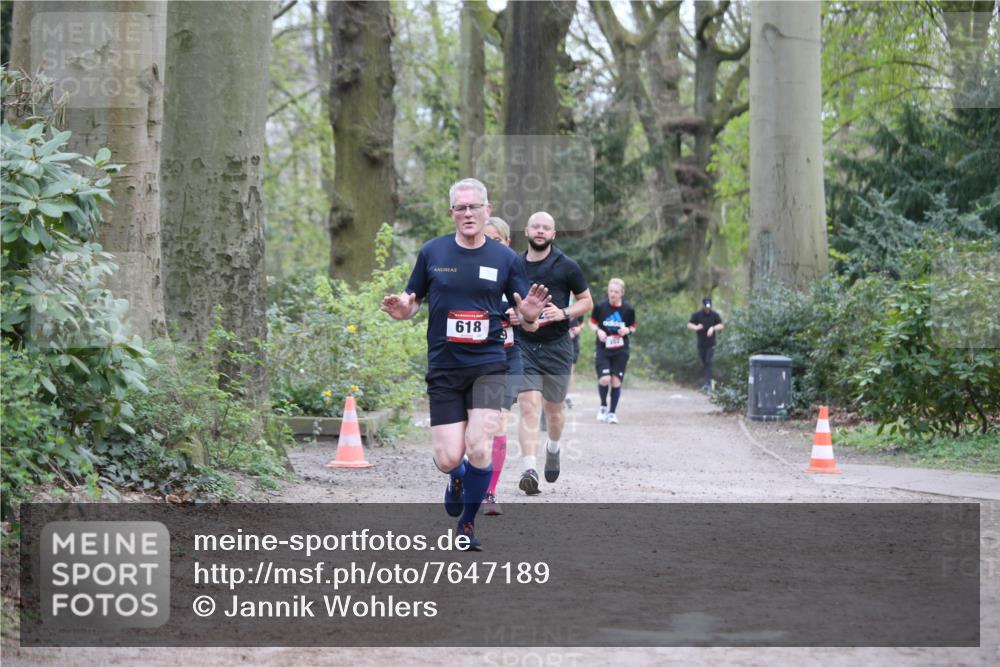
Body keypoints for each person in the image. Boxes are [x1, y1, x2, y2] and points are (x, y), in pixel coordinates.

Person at [381, 179, 548, 549]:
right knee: (448, 457)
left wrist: (532, 315)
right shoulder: (432, 252)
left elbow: (527, 315)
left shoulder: (504, 259)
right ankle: (456, 477)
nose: (468, 213)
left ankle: (467, 525)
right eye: (461, 207)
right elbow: (413, 301)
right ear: (452, 213)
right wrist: (403, 309)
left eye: (475, 207)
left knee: (479, 446)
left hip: (488, 364)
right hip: (444, 365)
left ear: (487, 210)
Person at [515, 212, 593, 495]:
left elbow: (587, 302)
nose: (540, 231)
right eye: (535, 226)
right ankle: (529, 468)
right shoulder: (515, 265)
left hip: (557, 346)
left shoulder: (567, 266)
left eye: (546, 228)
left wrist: (564, 312)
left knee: (554, 410)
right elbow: (504, 299)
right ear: (526, 231)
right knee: (528, 407)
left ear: (553, 234)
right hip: (524, 345)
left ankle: (554, 447)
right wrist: (513, 315)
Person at [480, 217, 520, 516]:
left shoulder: (518, 271)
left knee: (500, 422)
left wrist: (525, 317)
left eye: (497, 240)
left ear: (507, 243)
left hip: (509, 356)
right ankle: (465, 477)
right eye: (487, 239)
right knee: (477, 427)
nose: (492, 245)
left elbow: (534, 316)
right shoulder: (474, 271)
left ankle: (489, 492)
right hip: (476, 357)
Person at [590, 278, 636, 424]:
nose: (612, 294)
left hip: (621, 350)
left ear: (622, 293)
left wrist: (627, 330)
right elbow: (591, 322)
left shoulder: (628, 309)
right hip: (603, 348)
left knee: (616, 382)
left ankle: (612, 413)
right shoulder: (600, 307)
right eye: (610, 291)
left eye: (616, 292)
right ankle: (603, 406)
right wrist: (598, 331)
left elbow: (633, 327)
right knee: (605, 379)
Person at [687, 297, 724, 393]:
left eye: (709, 307)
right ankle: (708, 382)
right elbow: (689, 325)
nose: (708, 309)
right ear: (703, 306)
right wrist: (696, 327)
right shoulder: (697, 315)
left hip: (711, 344)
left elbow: (721, 325)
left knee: (708, 362)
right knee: (704, 363)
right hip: (701, 343)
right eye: (706, 307)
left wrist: (713, 328)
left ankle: (709, 385)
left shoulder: (714, 315)